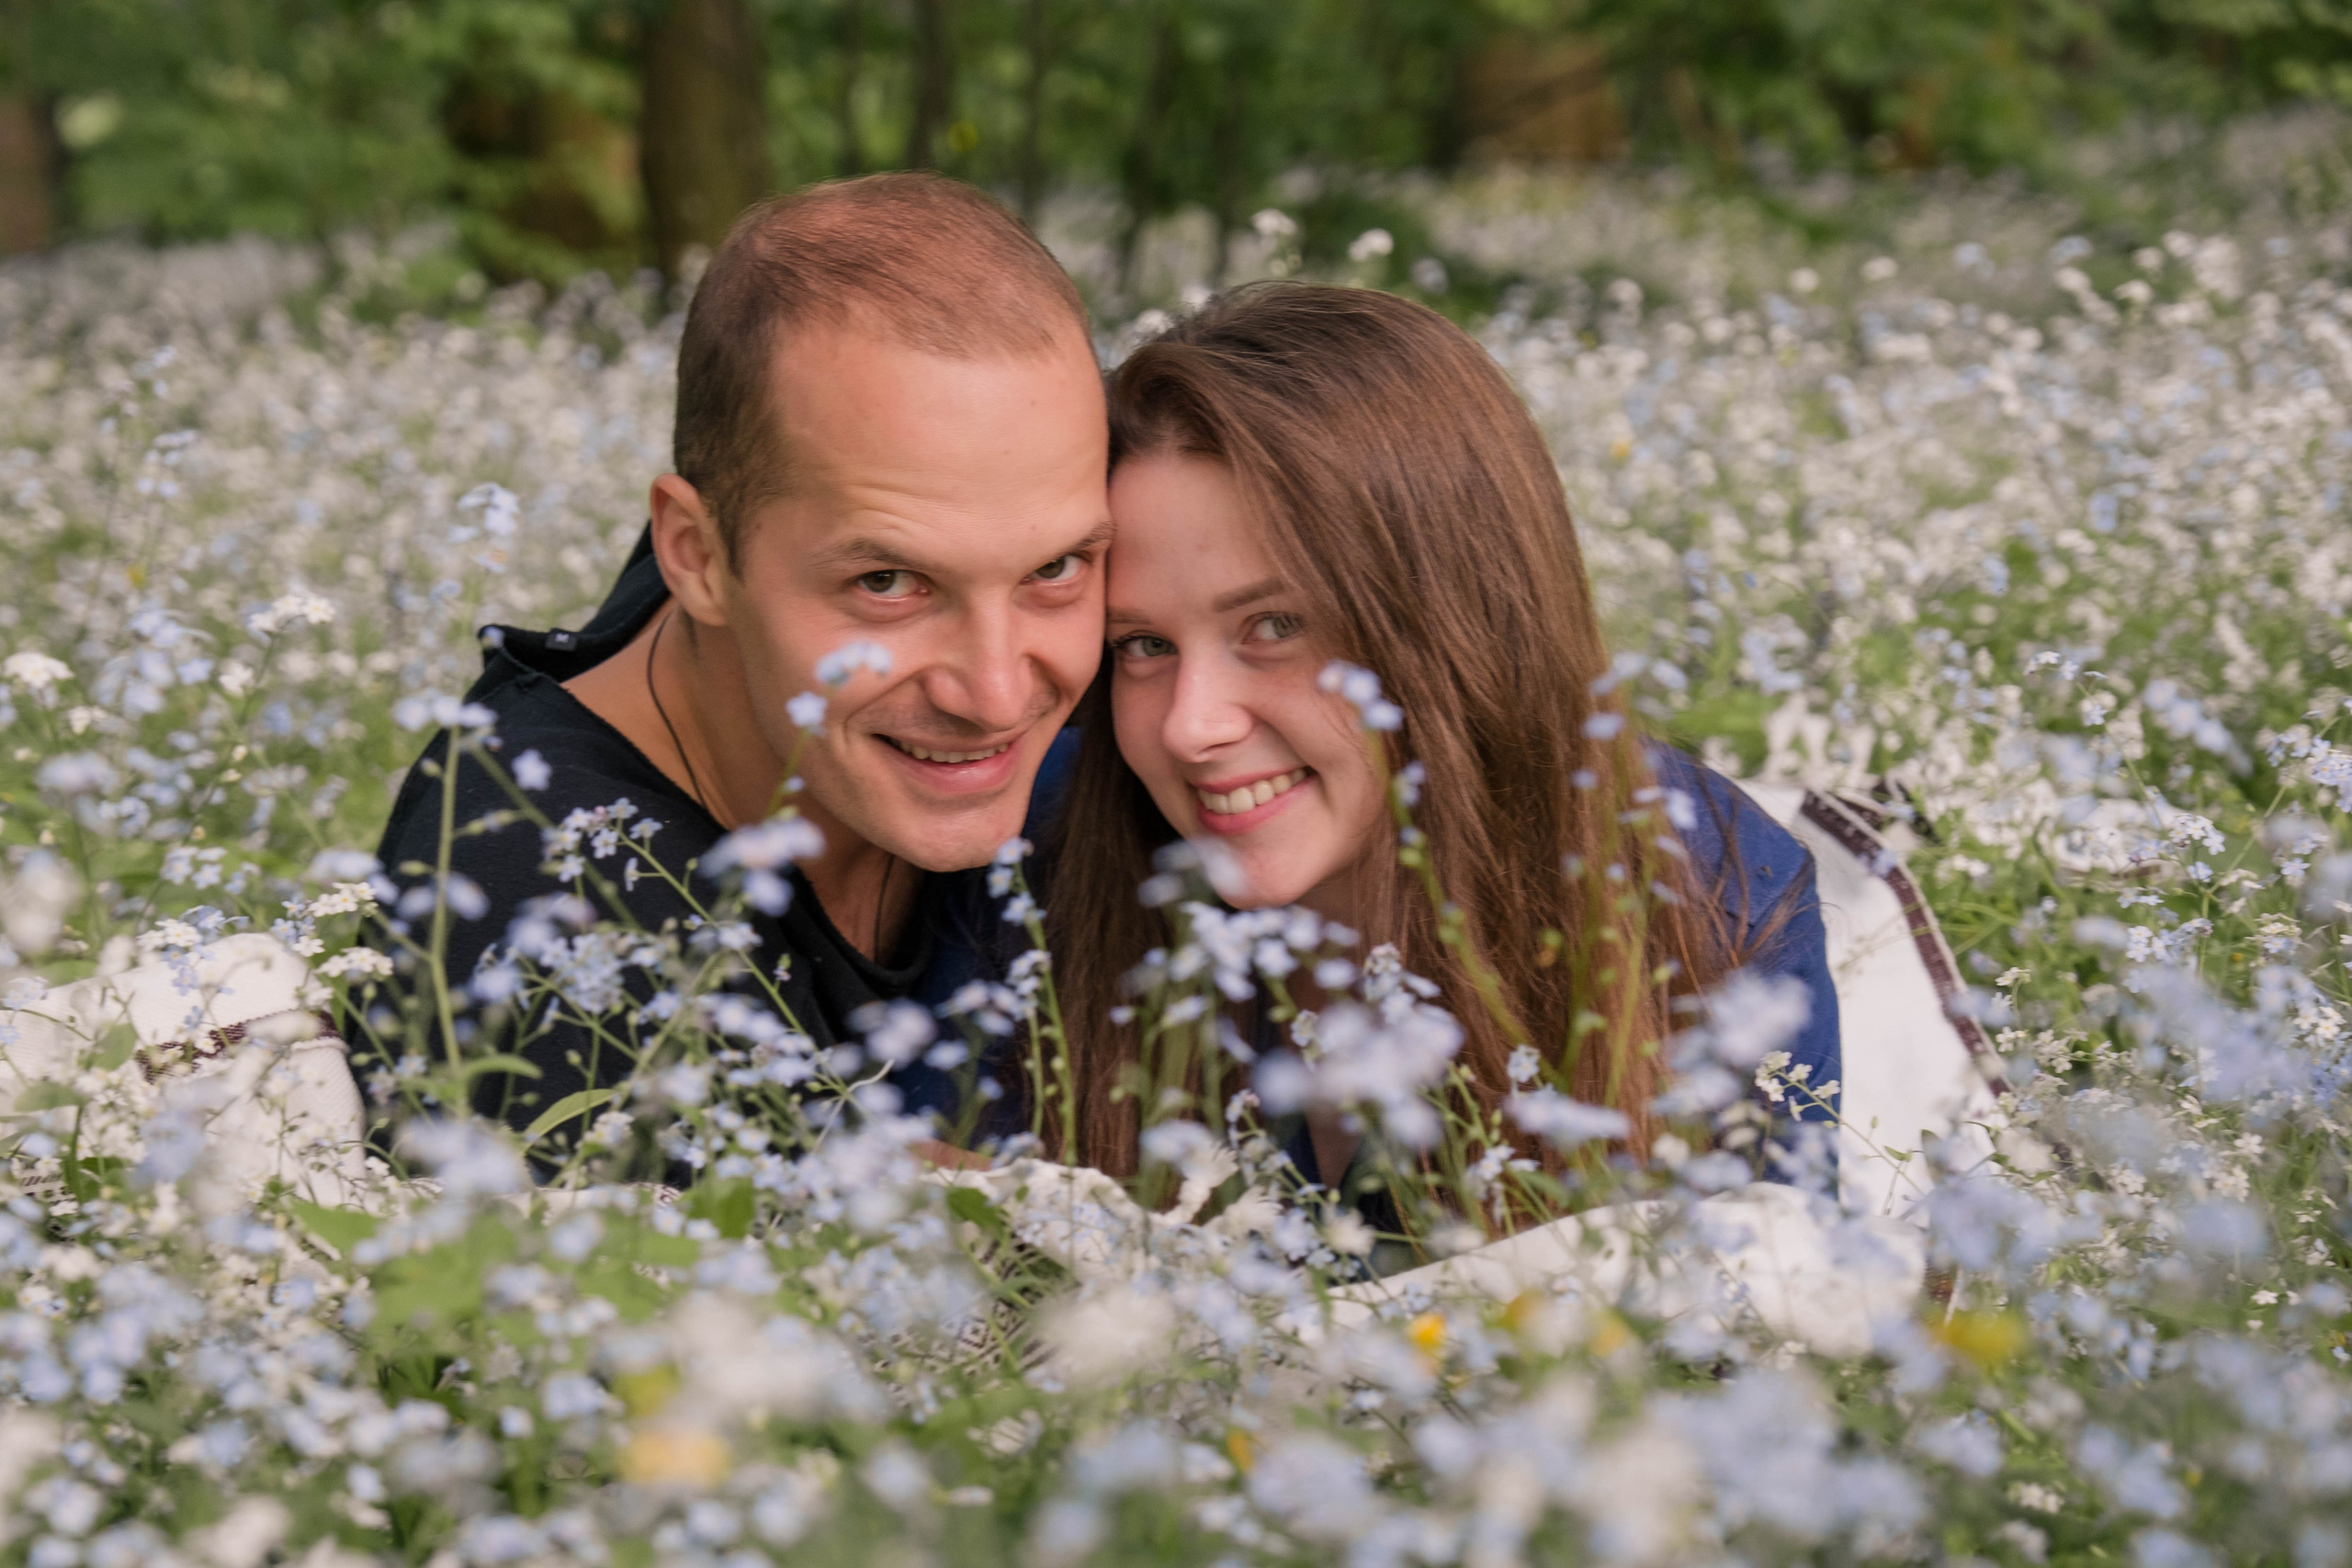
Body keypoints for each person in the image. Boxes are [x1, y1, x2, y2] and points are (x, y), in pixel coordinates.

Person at [1042, 283, 1840, 1238]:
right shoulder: (1038, 842)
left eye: (1275, 627)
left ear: (1451, 623)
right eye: (1141, 645)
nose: (1188, 728)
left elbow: (1775, 1322)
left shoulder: (1712, 895)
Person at [367, 173, 1108, 1163]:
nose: (998, 695)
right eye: (889, 582)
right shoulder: (547, 926)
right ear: (697, 556)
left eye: (1053, 567)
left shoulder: (1131, 653)